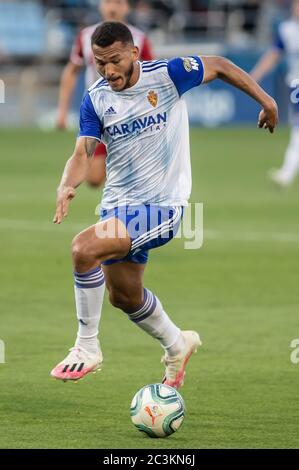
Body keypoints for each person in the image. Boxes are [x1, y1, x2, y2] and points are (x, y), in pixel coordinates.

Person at [51, 22, 278, 388]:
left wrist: (266, 100)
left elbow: (219, 64)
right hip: (117, 207)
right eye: (99, 63)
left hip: (162, 207)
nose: (108, 71)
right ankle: (177, 343)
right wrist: (66, 183)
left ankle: (86, 347)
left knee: (83, 249)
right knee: (124, 296)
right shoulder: (95, 98)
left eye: (114, 61)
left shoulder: (168, 76)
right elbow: (83, 151)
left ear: (134, 53)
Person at [56, 0, 154, 187]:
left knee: (135, 173)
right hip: (100, 113)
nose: (112, 8)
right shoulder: (86, 36)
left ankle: (123, 199)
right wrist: (62, 111)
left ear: (126, 7)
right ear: (100, 6)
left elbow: (152, 75)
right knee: (93, 179)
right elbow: (71, 71)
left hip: (132, 115)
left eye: (118, 2)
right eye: (108, 2)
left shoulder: (139, 39)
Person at [251, 0, 299, 187]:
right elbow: (273, 55)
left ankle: (287, 173)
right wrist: (255, 75)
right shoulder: (287, 30)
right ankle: (287, 173)